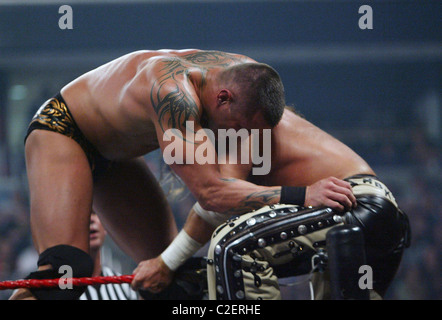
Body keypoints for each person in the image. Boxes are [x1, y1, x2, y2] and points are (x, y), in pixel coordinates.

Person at [10, 49, 319, 300]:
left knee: (173, 277)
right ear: (222, 98)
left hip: (115, 154)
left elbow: (238, 180)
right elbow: (212, 194)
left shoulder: (247, 78)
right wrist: (303, 195)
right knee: (65, 274)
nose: (237, 137)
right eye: (237, 128)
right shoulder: (174, 96)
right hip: (64, 131)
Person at [131, 107, 411, 300]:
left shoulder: (246, 123)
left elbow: (215, 205)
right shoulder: (256, 134)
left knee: (232, 247)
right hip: (374, 222)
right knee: (217, 266)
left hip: (355, 203)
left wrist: (165, 263)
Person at [80, 211, 139, 300]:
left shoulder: (123, 287)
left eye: (96, 213)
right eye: (84, 215)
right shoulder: (63, 287)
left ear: (105, 226)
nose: (91, 219)